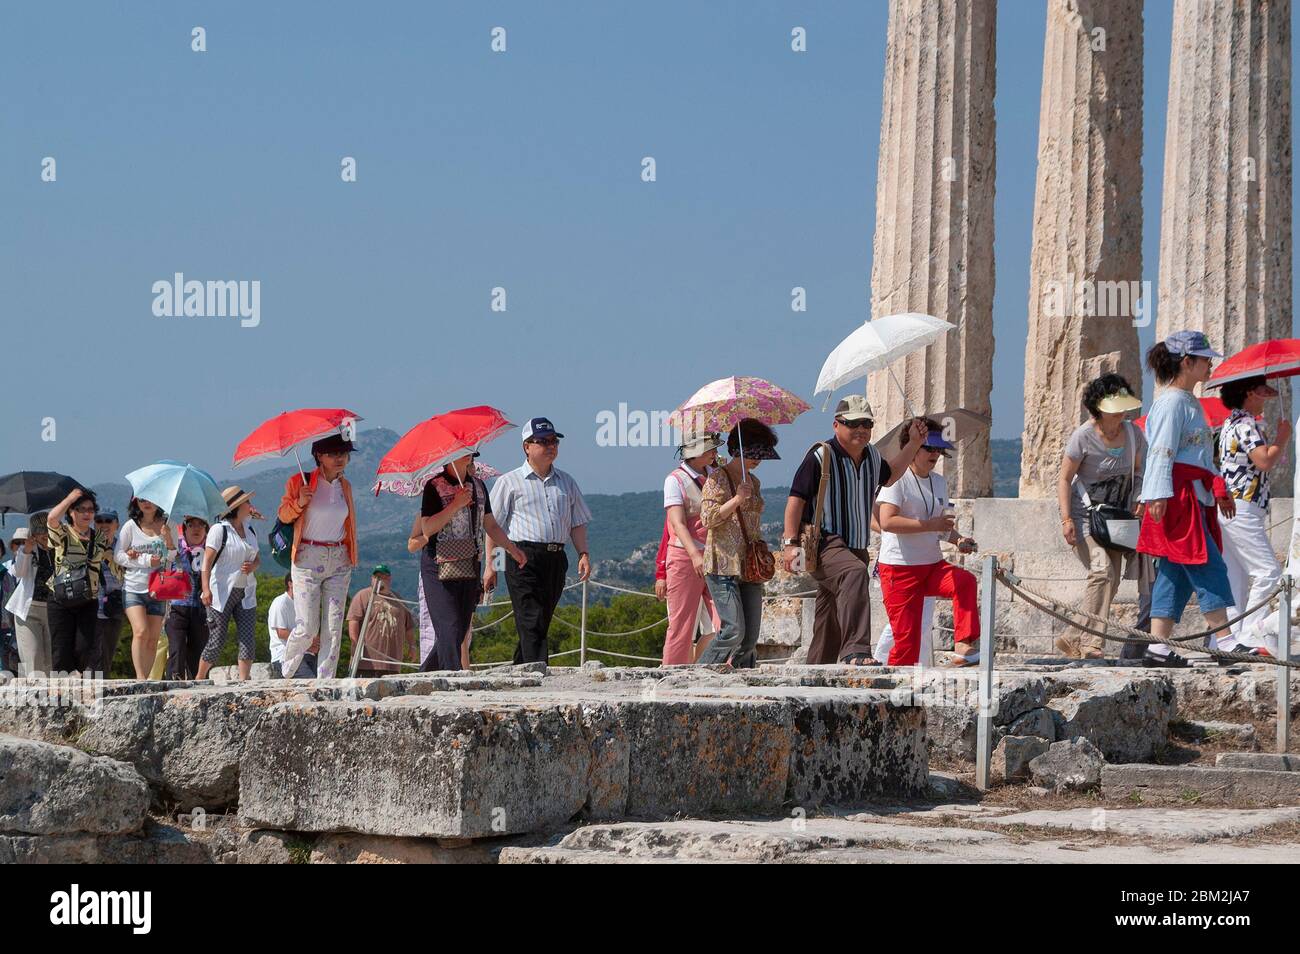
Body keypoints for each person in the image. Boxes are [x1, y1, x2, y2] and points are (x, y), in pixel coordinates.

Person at [783, 396, 928, 666]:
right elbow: (796, 499)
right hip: (826, 543)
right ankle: (856, 651)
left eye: (867, 423)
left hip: (856, 546)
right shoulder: (820, 455)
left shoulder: (872, 454)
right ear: (836, 425)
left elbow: (890, 474)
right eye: (853, 423)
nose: (861, 429)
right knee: (853, 573)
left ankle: (817, 669)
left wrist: (914, 444)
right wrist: (791, 545)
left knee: (829, 616)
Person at [1137, 331, 1237, 667]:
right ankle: (1225, 640)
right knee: (1207, 564)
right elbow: (1161, 451)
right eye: (1205, 358)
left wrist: (1217, 489)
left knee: (1174, 572)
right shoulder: (1171, 402)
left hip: (1194, 493)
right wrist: (1158, 493)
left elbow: (1198, 456)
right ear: (1187, 362)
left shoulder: (1189, 401)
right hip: (1176, 495)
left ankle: (1158, 648)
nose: (1210, 364)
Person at [1055, 374, 1149, 661]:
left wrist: (1140, 501)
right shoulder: (1082, 436)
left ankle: (1071, 638)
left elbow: (1140, 473)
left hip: (1118, 521)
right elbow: (1064, 478)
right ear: (1099, 406)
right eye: (1115, 405)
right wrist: (1066, 519)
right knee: (1101, 572)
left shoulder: (1134, 435)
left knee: (1111, 581)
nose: (1121, 411)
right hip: (1085, 519)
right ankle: (1093, 645)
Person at [875, 423, 981, 666]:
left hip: (931, 564)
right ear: (912, 448)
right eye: (929, 448)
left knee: (965, 581)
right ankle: (891, 695)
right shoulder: (896, 481)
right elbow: (887, 521)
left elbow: (941, 525)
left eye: (938, 449)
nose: (935, 454)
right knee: (907, 644)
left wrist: (959, 540)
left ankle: (964, 646)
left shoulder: (939, 482)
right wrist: (930, 525)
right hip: (899, 569)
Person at [488, 418, 592, 664]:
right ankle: (538, 671)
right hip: (520, 555)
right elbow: (493, 527)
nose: (550, 446)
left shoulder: (567, 482)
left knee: (540, 619)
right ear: (527, 446)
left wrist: (583, 554)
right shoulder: (508, 482)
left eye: (554, 441)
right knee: (531, 617)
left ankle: (521, 668)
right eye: (543, 441)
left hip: (556, 557)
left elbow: (577, 522)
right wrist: (492, 566)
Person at [422, 454, 524, 671]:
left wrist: (512, 549)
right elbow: (427, 529)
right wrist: (455, 505)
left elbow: (491, 525)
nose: (470, 456)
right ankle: (452, 678)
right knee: (448, 625)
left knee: (459, 629)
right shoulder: (434, 486)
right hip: (439, 564)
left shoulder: (478, 486)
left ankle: (426, 674)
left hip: (470, 562)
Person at [1216, 375, 1290, 656]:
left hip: (1235, 507)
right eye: (1262, 392)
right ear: (1249, 393)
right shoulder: (1245, 424)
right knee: (1268, 572)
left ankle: (1226, 639)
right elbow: (1264, 460)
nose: (1266, 398)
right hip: (1242, 506)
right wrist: (1282, 438)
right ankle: (1248, 635)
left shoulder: (1230, 423)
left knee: (1235, 577)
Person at [695, 419, 777, 668]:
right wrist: (737, 499)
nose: (758, 460)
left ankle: (743, 679)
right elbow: (707, 518)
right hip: (722, 563)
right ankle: (700, 674)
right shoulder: (718, 479)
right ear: (736, 451)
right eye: (753, 454)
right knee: (733, 630)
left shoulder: (754, 482)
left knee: (750, 638)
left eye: (761, 455)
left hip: (749, 564)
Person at [278, 434, 358, 680]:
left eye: (343, 453)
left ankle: (326, 682)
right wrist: (300, 502)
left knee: (333, 628)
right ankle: (286, 669)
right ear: (318, 457)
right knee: (307, 627)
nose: (340, 458)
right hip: (307, 556)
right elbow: (283, 515)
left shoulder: (345, 486)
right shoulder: (299, 482)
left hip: (338, 557)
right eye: (333, 453)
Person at [661, 432, 724, 665]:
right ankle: (671, 674)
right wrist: (694, 555)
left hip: (716, 554)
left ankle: (719, 668)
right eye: (710, 449)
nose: (715, 452)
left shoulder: (716, 476)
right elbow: (676, 523)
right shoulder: (675, 480)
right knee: (682, 624)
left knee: (725, 620)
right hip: (685, 555)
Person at [45, 488, 115, 674]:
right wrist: (69, 498)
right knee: (61, 650)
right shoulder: (64, 533)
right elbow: (51, 519)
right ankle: (61, 696)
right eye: (81, 509)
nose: (87, 513)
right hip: (60, 598)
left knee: (85, 648)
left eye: (91, 510)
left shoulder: (99, 538)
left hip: (88, 598)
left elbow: (112, 561)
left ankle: (78, 686)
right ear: (71, 512)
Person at [196, 486, 260, 681]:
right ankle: (200, 677)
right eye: (246, 502)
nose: (250, 505)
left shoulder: (249, 529)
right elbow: (207, 561)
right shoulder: (219, 530)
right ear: (238, 506)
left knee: (247, 637)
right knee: (217, 638)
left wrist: (253, 567)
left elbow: (257, 558)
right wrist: (205, 589)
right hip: (221, 591)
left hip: (246, 590)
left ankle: (243, 679)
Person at [115, 497, 177, 678]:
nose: (146, 503)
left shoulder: (169, 524)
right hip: (134, 586)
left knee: (153, 638)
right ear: (135, 502)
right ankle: (140, 677)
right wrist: (145, 560)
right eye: (141, 499)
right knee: (141, 631)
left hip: (158, 588)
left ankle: (148, 678)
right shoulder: (130, 526)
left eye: (150, 499)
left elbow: (172, 557)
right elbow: (119, 555)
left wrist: (168, 538)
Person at [348, 564, 418, 676]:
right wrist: (355, 644)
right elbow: (353, 621)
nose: (378, 579)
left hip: (393, 663)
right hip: (367, 663)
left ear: (389, 579)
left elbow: (409, 626)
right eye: (376, 577)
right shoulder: (362, 595)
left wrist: (412, 646)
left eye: (382, 577)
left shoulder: (398, 599)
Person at [5, 520, 54, 677]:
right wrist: (26, 549)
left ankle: (54, 698)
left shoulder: (59, 549)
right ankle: (35, 697)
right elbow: (18, 572)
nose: (44, 537)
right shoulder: (29, 551)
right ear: (34, 535)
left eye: (47, 533)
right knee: (32, 659)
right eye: (40, 534)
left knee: (52, 660)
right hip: (28, 610)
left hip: (54, 610)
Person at [164, 515, 209, 679]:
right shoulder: (176, 546)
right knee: (176, 648)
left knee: (198, 651)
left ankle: (196, 687)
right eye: (191, 525)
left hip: (202, 608)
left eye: (201, 525)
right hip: (177, 607)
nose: (196, 529)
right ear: (184, 528)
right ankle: (173, 683)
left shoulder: (211, 551)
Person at [94, 511, 127, 676]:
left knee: (107, 651)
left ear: (117, 525)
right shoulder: (88, 545)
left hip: (114, 605)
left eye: (109, 521)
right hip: (90, 605)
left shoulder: (123, 547)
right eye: (99, 520)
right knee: (89, 652)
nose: (104, 524)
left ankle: (101, 689)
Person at [1, 534, 23, 674]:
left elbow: (8, 599)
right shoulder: (6, 568)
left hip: (7, 624)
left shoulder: (4, 572)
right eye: (17, 543)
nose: (20, 546)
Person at [267, 574, 296, 678]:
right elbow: (282, 633)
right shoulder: (280, 602)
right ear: (290, 584)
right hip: (284, 657)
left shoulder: (300, 604)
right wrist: (308, 643)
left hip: (302, 654)